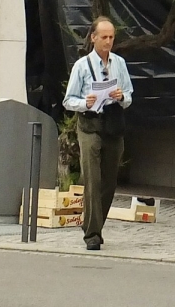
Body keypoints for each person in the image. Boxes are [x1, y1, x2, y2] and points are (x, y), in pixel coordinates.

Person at [63, 16, 134, 251]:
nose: (108, 41)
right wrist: (85, 102)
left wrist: (121, 97)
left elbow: (129, 96)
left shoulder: (119, 63)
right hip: (89, 124)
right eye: (104, 37)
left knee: (110, 180)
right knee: (92, 179)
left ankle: (94, 224)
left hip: (112, 123)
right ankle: (92, 234)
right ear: (93, 38)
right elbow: (68, 100)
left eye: (111, 37)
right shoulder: (82, 65)